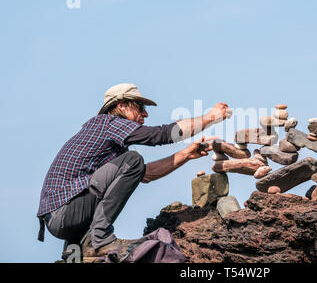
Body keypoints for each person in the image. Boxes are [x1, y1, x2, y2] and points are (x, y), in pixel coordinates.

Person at [36, 83, 232, 258]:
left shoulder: (109, 138)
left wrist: (186, 155)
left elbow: (144, 174)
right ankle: (100, 238)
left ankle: (79, 250)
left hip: (62, 219)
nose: (145, 114)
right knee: (133, 159)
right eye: (140, 107)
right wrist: (210, 118)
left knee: (133, 163)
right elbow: (160, 135)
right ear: (121, 106)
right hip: (64, 213)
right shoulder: (109, 123)